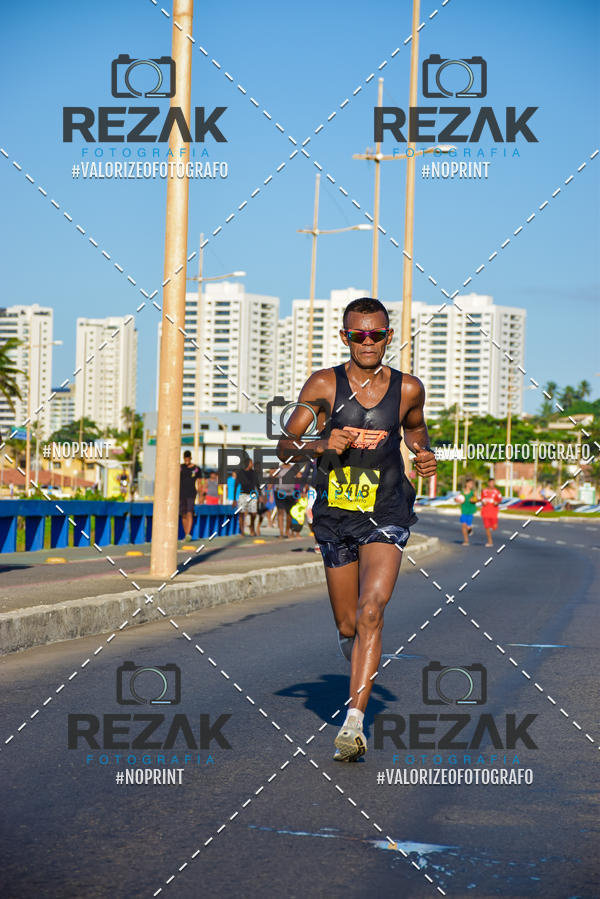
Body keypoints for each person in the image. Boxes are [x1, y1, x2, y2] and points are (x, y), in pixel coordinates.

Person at [276, 297, 436, 762]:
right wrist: (321, 442)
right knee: (349, 623)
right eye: (358, 335)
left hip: (386, 509)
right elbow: (287, 443)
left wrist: (424, 454)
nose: (368, 342)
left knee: (371, 611)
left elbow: (417, 431)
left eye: (377, 334)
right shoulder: (325, 383)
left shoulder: (408, 389)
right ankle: (356, 648)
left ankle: (352, 724)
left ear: (389, 335)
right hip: (336, 513)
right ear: (344, 336)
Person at [233, 456, 260, 536]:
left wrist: (261, 495)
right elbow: (236, 485)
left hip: (252, 495)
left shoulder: (254, 473)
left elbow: (257, 485)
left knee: (254, 513)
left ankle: (252, 526)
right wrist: (234, 499)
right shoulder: (240, 472)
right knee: (241, 513)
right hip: (243, 494)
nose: (252, 464)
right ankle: (242, 531)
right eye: (251, 463)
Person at [179, 450, 201, 542]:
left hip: (191, 493)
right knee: (183, 514)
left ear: (190, 458)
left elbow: (200, 480)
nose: (186, 460)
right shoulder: (180, 467)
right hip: (181, 493)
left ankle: (188, 534)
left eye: (188, 458)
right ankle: (186, 534)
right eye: (185, 458)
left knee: (189, 512)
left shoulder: (196, 469)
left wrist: (200, 490)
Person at [273, 463, 297, 538]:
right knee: (280, 512)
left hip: (291, 494)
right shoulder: (279, 468)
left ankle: (287, 531)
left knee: (289, 514)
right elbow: (273, 477)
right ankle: (281, 533)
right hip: (280, 492)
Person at [480, 477, 502, 546]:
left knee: (494, 527)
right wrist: (483, 502)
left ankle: (494, 526)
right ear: (488, 483)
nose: (492, 484)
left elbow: (500, 500)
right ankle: (490, 542)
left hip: (493, 512)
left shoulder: (497, 492)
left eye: (493, 483)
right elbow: (482, 499)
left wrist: (497, 502)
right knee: (487, 527)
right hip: (485, 512)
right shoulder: (484, 491)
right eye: (491, 482)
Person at [460, 478, 479, 545]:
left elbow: (477, 499)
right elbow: (457, 499)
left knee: (467, 526)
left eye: (472, 484)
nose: (471, 485)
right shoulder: (462, 492)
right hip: (464, 511)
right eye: (470, 483)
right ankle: (466, 541)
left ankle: (470, 528)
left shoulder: (473, 493)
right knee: (463, 526)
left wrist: (473, 500)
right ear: (466, 484)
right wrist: (457, 500)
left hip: (471, 511)